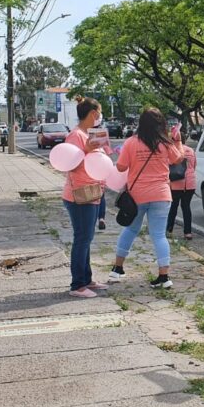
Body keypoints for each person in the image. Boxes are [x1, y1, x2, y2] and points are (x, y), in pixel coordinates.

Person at [109, 108, 184, 288]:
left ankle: (117, 269)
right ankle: (164, 277)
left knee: (130, 230)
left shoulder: (131, 143)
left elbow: (120, 168)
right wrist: (179, 141)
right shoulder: (165, 143)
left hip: (137, 196)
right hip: (162, 194)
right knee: (159, 236)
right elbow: (178, 159)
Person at [61, 98, 111, 298]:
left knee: (87, 238)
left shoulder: (87, 134)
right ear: (92, 113)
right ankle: (77, 285)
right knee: (82, 238)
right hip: (80, 195)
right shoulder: (76, 136)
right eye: (99, 113)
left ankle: (87, 279)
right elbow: (69, 164)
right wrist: (88, 150)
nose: (99, 117)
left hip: (93, 193)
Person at [167, 131, 197, 240]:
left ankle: (169, 230)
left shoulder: (172, 150)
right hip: (190, 183)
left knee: (173, 207)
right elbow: (194, 165)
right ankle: (188, 233)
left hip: (176, 182)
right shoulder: (191, 150)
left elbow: (168, 165)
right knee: (186, 207)